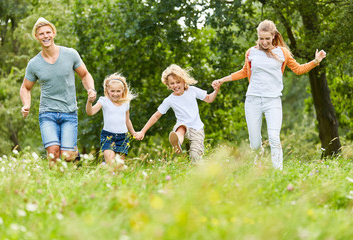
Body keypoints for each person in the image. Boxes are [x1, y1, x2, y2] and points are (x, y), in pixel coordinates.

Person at [212, 20, 326, 170]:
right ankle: (258, 163)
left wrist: (315, 61)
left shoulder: (282, 52)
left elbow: (298, 69)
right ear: (258, 37)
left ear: (273, 36)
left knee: (274, 137)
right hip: (253, 100)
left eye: (267, 38)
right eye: (261, 38)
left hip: (273, 101)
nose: (264, 42)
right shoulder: (251, 52)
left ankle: (277, 172)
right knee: (255, 144)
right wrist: (222, 80)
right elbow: (244, 72)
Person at [20, 17, 96, 167]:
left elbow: (85, 75)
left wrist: (91, 89)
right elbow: (25, 87)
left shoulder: (70, 54)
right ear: (36, 36)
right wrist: (26, 104)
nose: (45, 36)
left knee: (67, 156)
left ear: (54, 33)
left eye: (48, 32)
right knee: (53, 153)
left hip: (69, 112)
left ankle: (74, 154)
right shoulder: (34, 64)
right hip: (47, 113)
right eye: (41, 34)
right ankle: (53, 186)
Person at [136, 64, 222, 162]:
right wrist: (142, 131)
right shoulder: (169, 100)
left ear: (183, 81)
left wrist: (216, 90)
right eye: (172, 83)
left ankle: (198, 171)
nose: (175, 85)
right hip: (183, 127)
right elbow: (156, 116)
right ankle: (177, 142)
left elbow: (209, 99)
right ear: (168, 85)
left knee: (195, 157)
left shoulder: (192, 90)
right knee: (181, 127)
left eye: (178, 82)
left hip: (197, 129)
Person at [86, 73, 137, 166]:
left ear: (123, 91)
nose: (115, 94)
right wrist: (89, 102)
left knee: (119, 166)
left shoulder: (126, 103)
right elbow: (90, 112)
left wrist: (133, 133)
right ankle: (105, 171)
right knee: (110, 163)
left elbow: (127, 120)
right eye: (112, 91)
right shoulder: (104, 101)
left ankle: (111, 176)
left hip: (123, 137)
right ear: (107, 90)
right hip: (108, 136)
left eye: (118, 91)